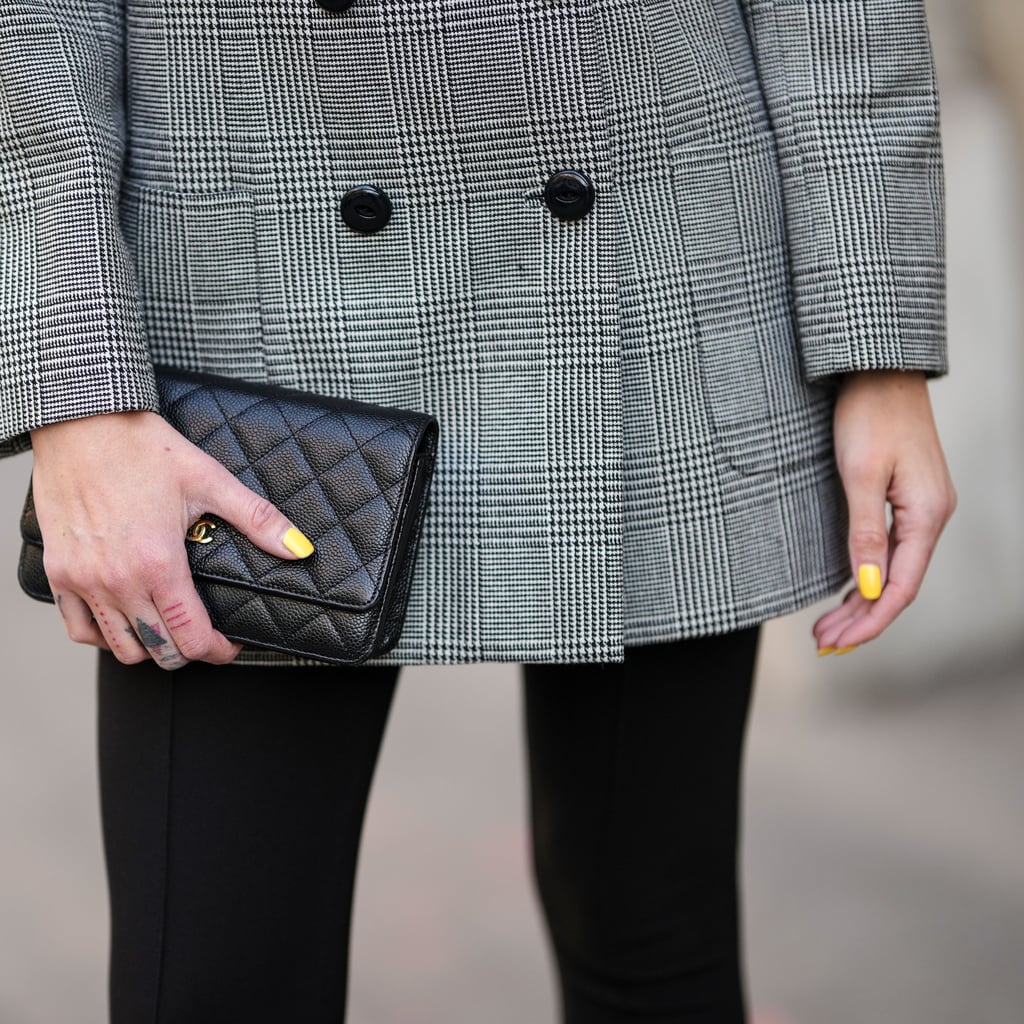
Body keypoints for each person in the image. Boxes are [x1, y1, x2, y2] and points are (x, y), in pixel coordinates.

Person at [0, 1, 956, 1022]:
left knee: (654, 946)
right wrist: (75, 392)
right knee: (213, 981)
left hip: (654, 258)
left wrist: (879, 347)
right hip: (247, 290)